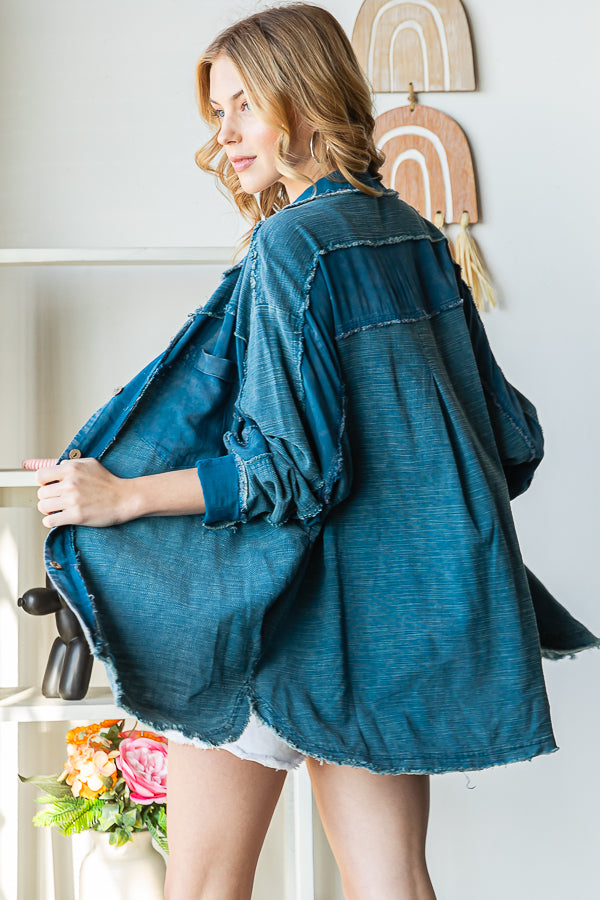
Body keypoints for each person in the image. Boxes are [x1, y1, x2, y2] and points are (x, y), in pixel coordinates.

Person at [35, 5, 598, 899]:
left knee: (203, 890)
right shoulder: (411, 232)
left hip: (277, 625)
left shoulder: (292, 242)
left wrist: (123, 497)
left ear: (304, 97)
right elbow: (512, 439)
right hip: (383, 637)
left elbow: (292, 470)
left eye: (241, 107)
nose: (223, 139)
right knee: (394, 886)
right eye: (215, 116)